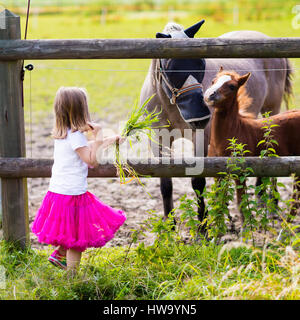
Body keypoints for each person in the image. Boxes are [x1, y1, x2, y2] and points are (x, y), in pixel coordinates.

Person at [31, 86, 126, 273]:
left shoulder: (64, 133)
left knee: (70, 232)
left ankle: (59, 254)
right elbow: (92, 160)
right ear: (81, 110)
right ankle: (72, 278)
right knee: (76, 239)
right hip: (72, 194)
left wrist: (110, 140)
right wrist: (98, 135)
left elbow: (85, 148)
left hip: (58, 192)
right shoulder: (75, 136)